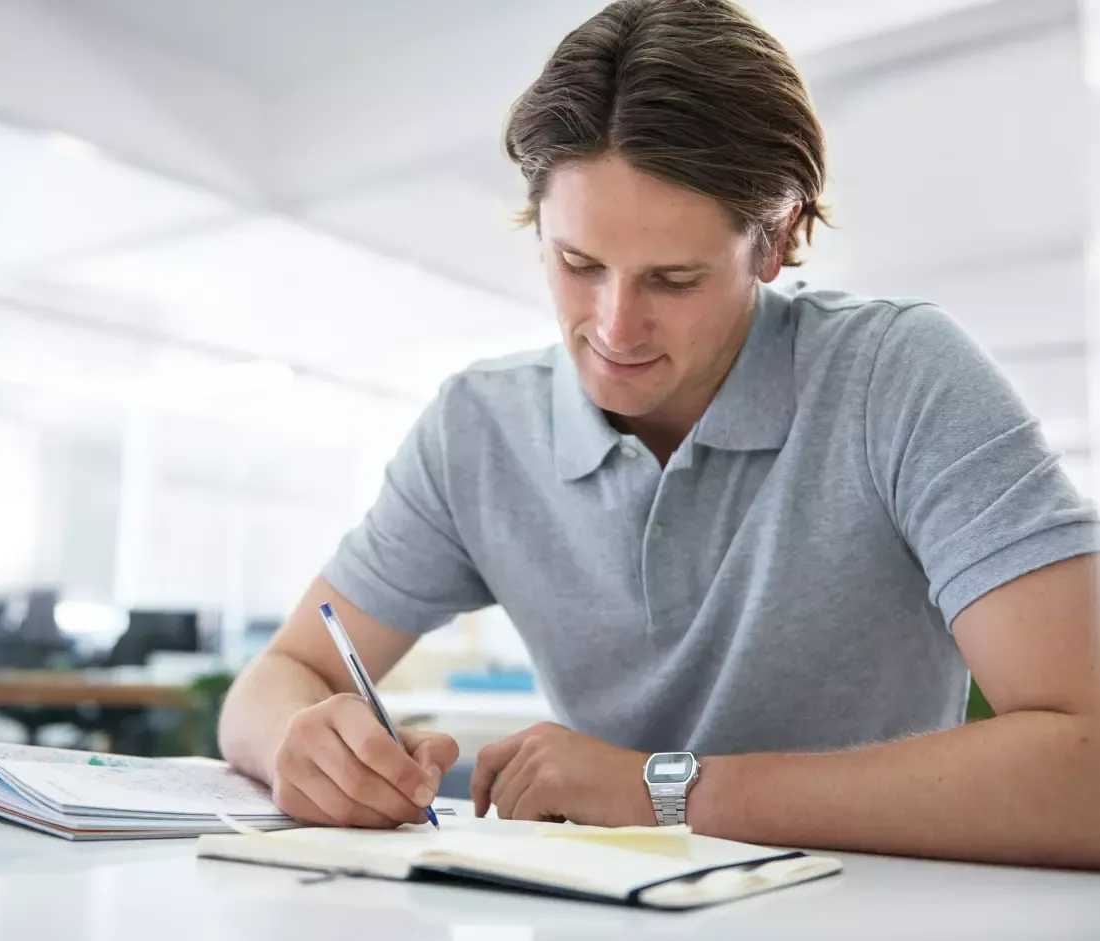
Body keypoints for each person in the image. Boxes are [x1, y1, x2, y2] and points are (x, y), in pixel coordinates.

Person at [219, 0, 1100, 868]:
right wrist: (299, 743)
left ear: (777, 238)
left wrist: (665, 790)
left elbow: (1086, 764)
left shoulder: (898, 376)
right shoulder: (476, 429)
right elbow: (284, 672)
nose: (614, 327)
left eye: (673, 278)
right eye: (577, 264)